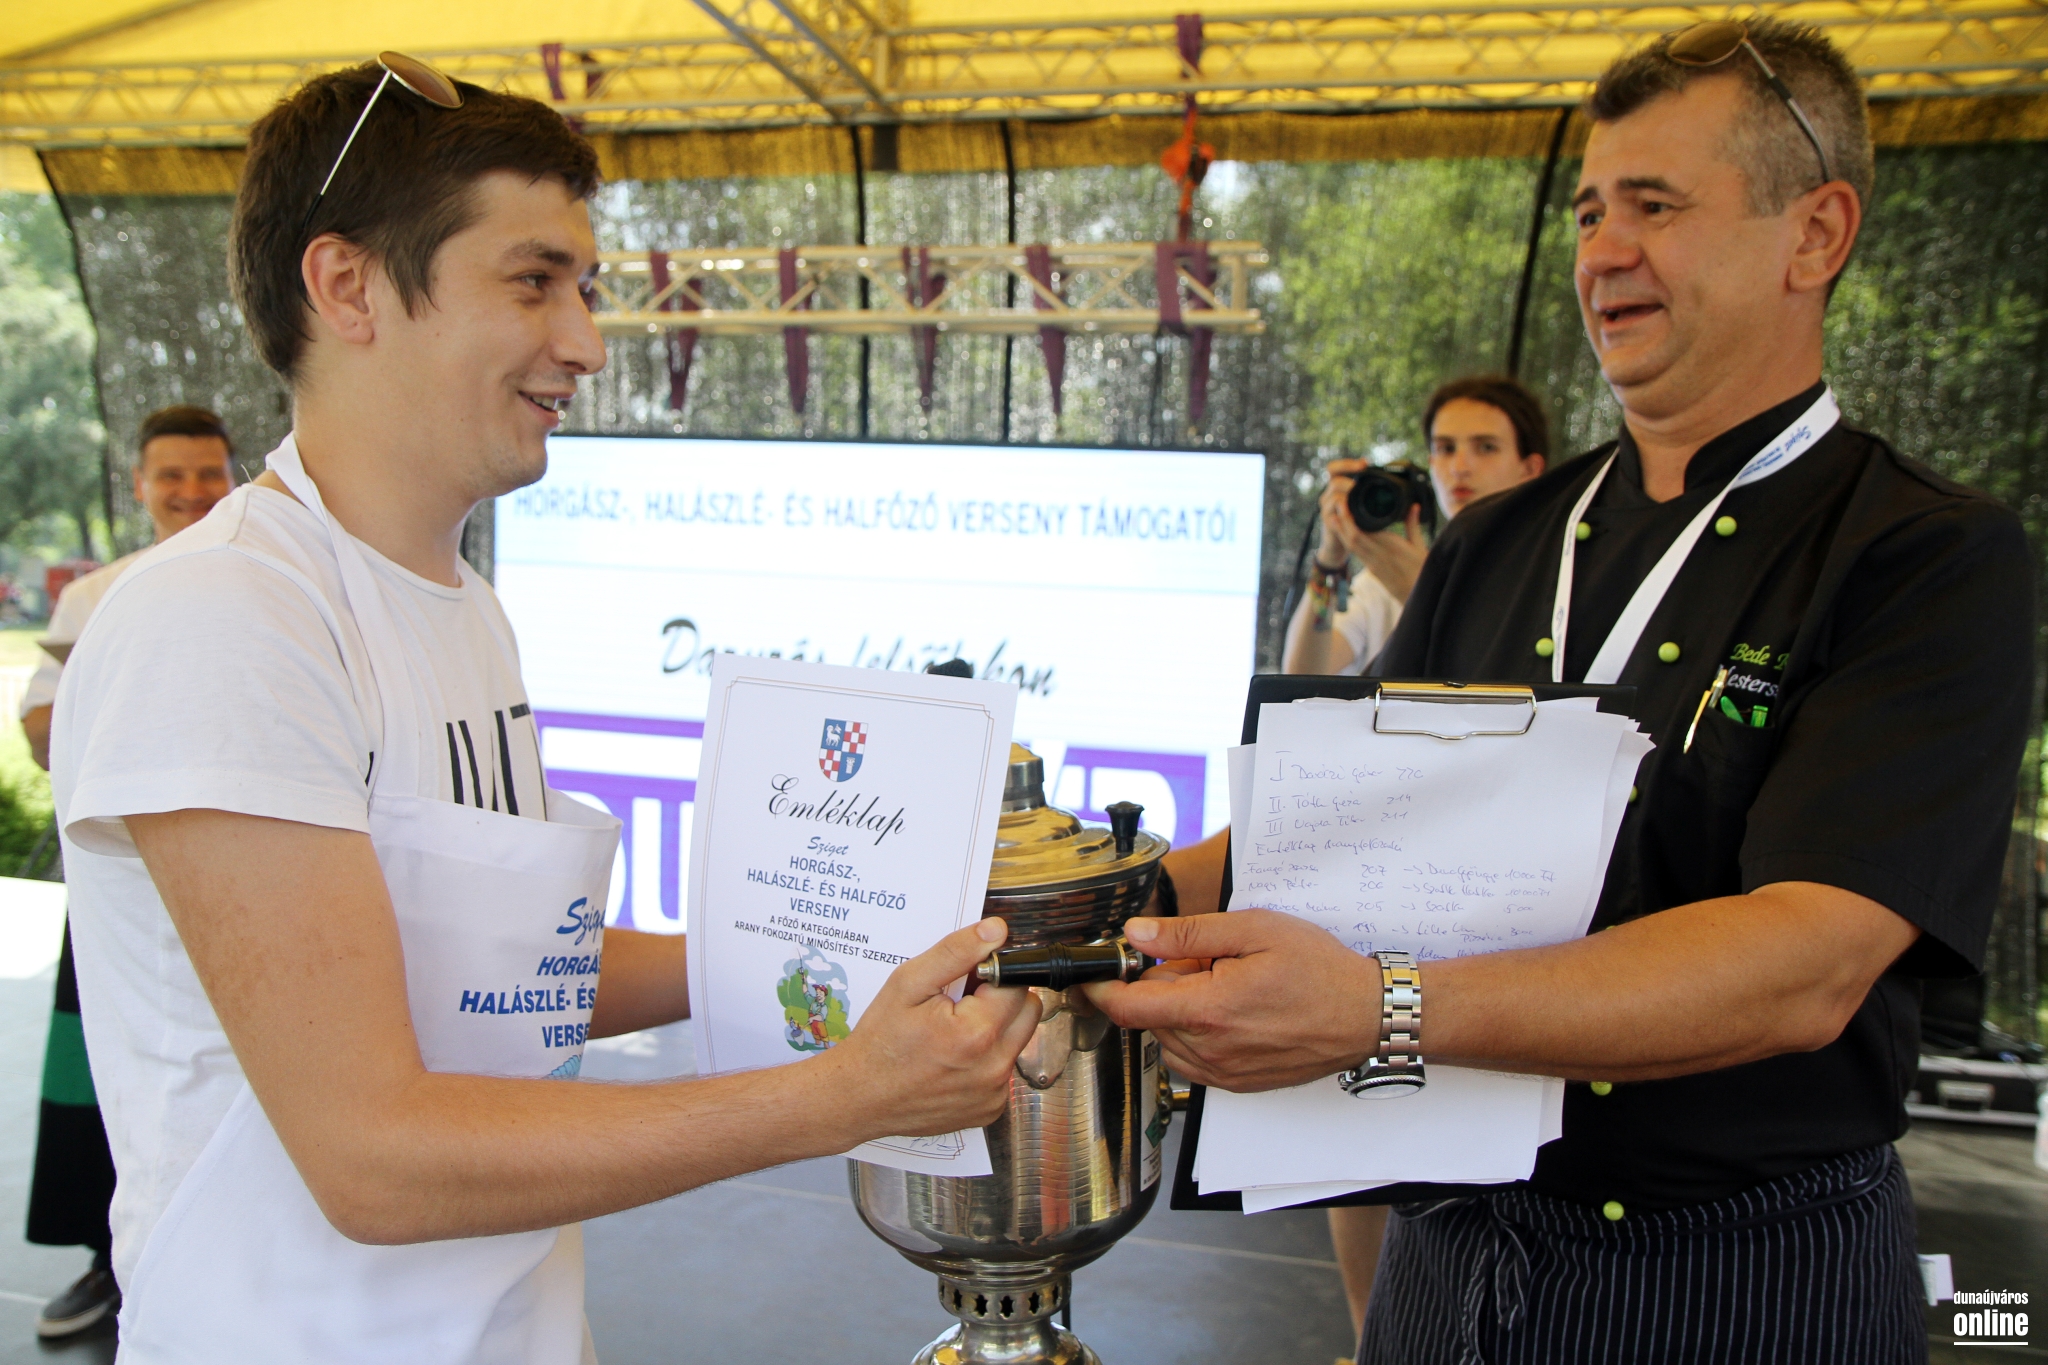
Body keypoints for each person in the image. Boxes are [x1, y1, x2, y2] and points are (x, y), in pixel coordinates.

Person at [48, 62, 1037, 1363]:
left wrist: (836, 944)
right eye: (533, 281)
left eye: (585, 287)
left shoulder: (465, 607)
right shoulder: (224, 617)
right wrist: (834, 1097)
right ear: (346, 286)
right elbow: (374, 1158)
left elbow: (507, 982)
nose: (585, 343)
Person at [1090, 19, 2030, 1363]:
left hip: (1744, 1276)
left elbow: (1806, 966)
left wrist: (1381, 1009)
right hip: (1447, 1251)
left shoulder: (1918, 554)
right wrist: (1095, 902)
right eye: (1591, 212)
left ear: (1814, 235)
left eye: (1656, 206)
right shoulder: (1496, 541)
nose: (1601, 252)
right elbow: (1337, 836)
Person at [15, 404, 235, 1341]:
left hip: (238, 884)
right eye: (171, 477)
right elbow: (40, 733)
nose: (190, 493)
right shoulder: (96, 598)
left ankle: (224, 1266)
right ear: (140, 486)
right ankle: (103, 1263)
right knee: (93, 1079)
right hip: (119, 891)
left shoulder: (265, 585)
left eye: (207, 474)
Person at [1281, 376, 1550, 677]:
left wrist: (1419, 593)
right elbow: (1302, 677)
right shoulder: (1384, 581)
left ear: (1530, 469)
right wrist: (1329, 562)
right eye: (1446, 448)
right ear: (1430, 463)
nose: (1460, 467)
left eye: (1486, 447)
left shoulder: (1551, 580)